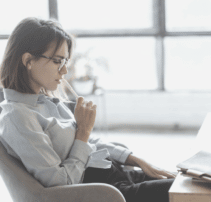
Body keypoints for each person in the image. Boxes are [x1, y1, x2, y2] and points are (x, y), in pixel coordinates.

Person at [0, 17, 175, 202]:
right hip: (105, 191)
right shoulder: (17, 116)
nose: (65, 71)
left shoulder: (45, 101)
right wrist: (83, 131)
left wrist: (138, 161)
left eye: (65, 61)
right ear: (28, 60)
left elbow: (88, 143)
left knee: (193, 182)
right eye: (57, 61)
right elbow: (62, 183)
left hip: (115, 176)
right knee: (193, 193)